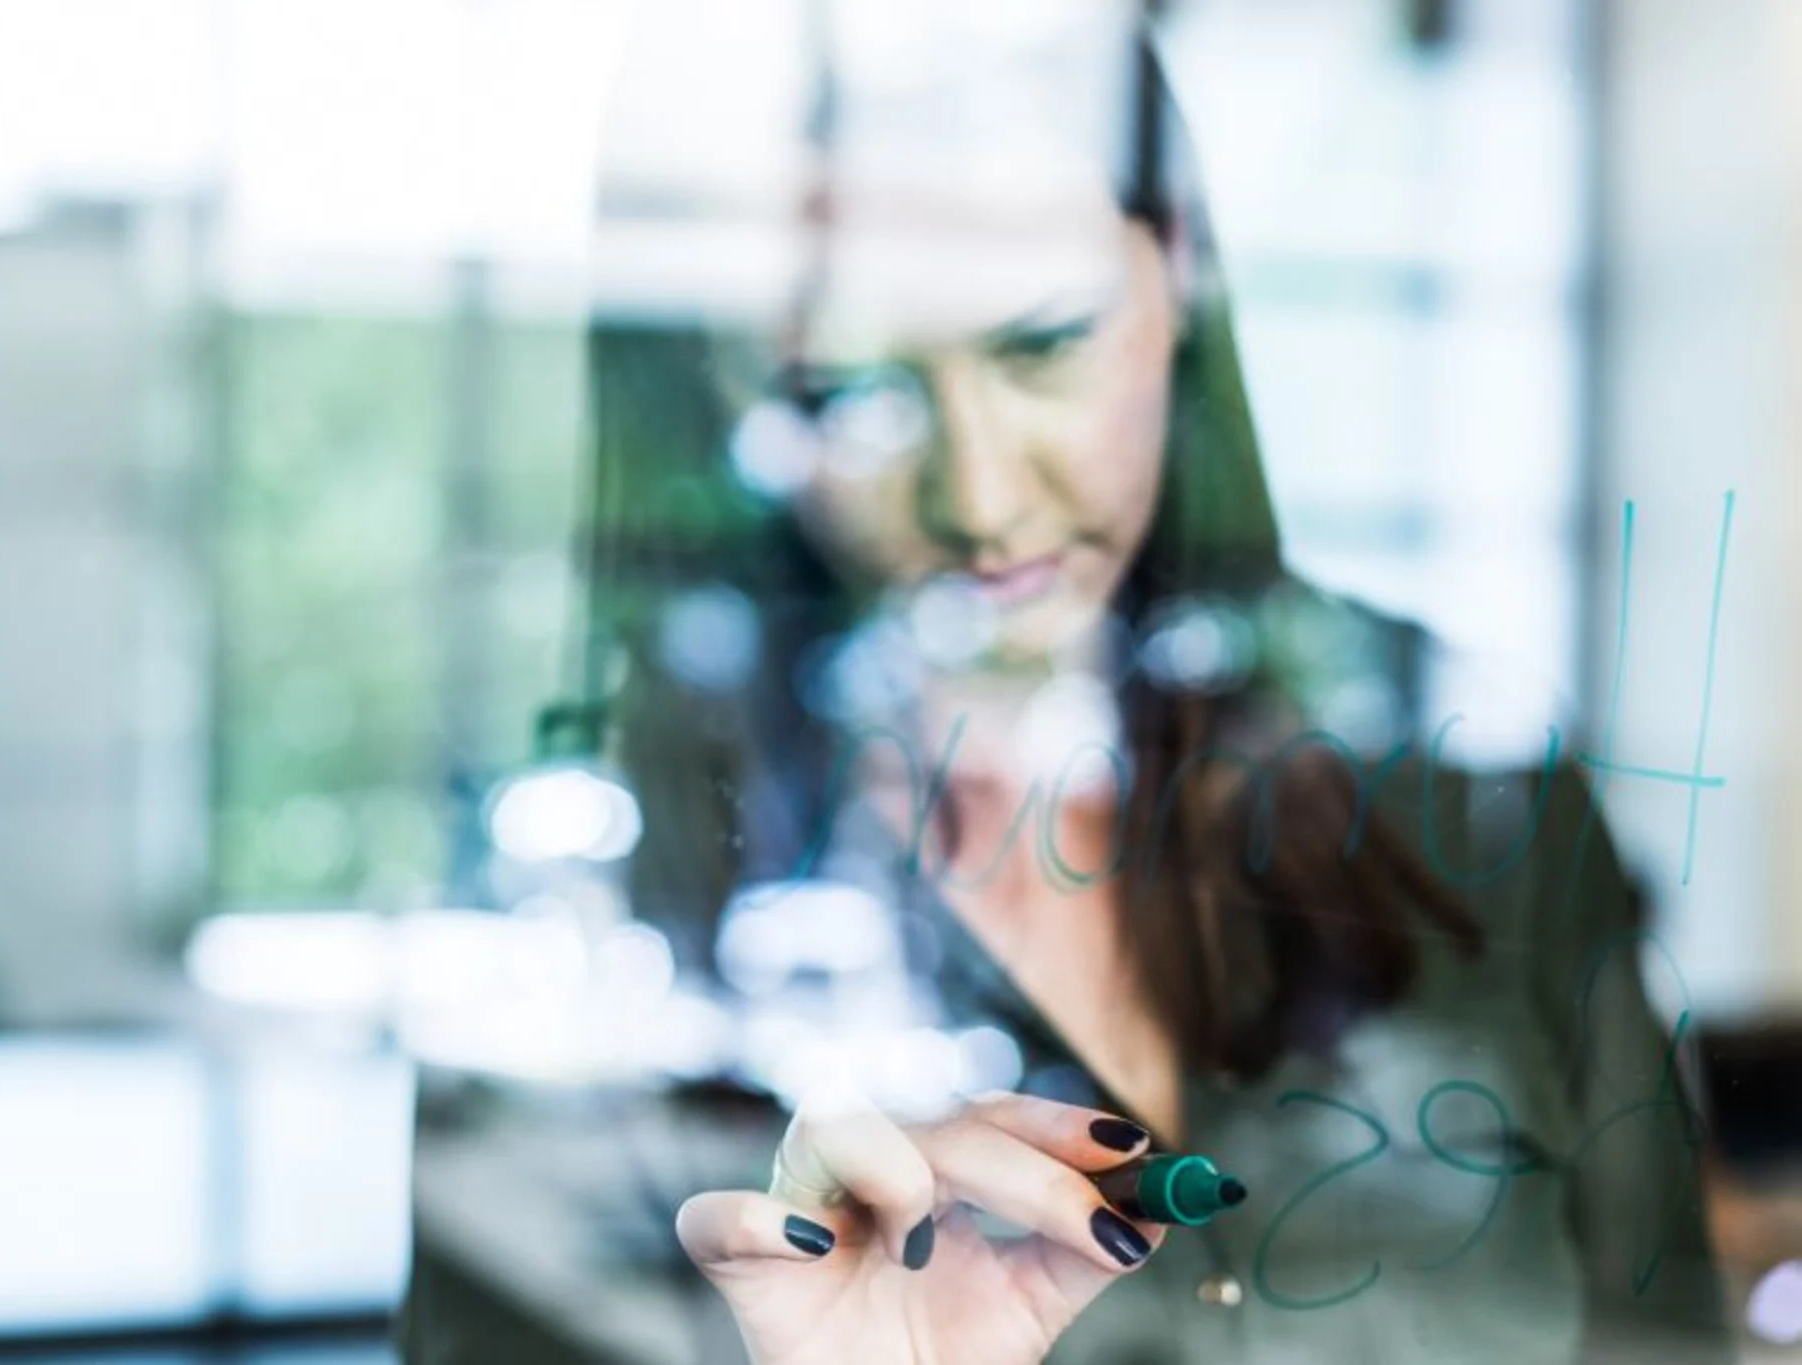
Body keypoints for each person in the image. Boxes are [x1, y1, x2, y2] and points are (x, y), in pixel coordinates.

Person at [399, 12, 1733, 1364]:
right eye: (857, 393)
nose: (980, 499)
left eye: (1043, 346)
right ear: (741, 394)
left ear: (1181, 277)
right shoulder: (586, 909)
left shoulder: (1463, 777)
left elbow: (1665, 1328)